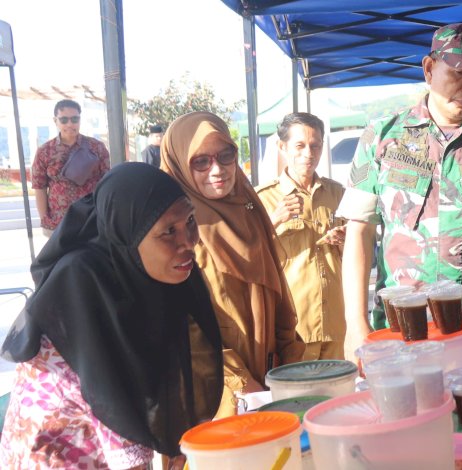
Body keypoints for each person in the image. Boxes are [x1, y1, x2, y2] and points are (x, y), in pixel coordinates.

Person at [335, 23, 462, 469]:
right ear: (429, 69)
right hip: (398, 336)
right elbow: (358, 232)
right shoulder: (382, 137)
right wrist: (353, 326)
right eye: (459, 73)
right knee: (401, 446)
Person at [1, 163, 223, 468]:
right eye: (168, 231)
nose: (188, 242)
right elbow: (118, 414)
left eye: (190, 221)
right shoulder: (85, 290)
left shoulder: (151, 274)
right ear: (128, 235)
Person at [161, 111, 304, 418]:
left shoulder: (249, 210)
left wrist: (289, 364)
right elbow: (183, 327)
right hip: (217, 394)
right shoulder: (174, 232)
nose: (218, 169)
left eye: (226, 155)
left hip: (269, 384)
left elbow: (278, 295)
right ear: (180, 165)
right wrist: (240, 382)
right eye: (201, 161)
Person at [256, 112, 347, 361]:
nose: (309, 153)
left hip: (335, 323)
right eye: (300, 145)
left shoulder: (337, 194)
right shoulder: (263, 200)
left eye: (315, 145)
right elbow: (250, 258)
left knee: (337, 395)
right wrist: (273, 222)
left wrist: (344, 242)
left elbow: (359, 254)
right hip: (294, 329)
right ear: (282, 147)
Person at [31, 99, 110, 237]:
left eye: (75, 119)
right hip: (59, 222)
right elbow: (39, 187)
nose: (70, 124)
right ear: (55, 120)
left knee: (92, 258)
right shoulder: (45, 151)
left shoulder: (96, 147)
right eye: (64, 120)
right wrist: (45, 219)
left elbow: (107, 182)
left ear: (80, 119)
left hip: (91, 218)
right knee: (60, 259)